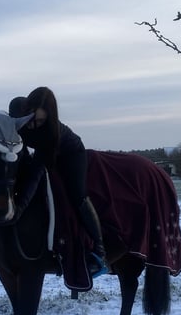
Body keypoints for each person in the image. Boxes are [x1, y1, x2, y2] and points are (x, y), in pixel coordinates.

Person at [9, 87, 108, 277]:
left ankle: (100, 250)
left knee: (78, 195)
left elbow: (38, 170)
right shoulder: (18, 110)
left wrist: (20, 207)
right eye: (31, 119)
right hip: (46, 155)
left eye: (40, 121)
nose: (34, 125)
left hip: (71, 154)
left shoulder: (50, 133)